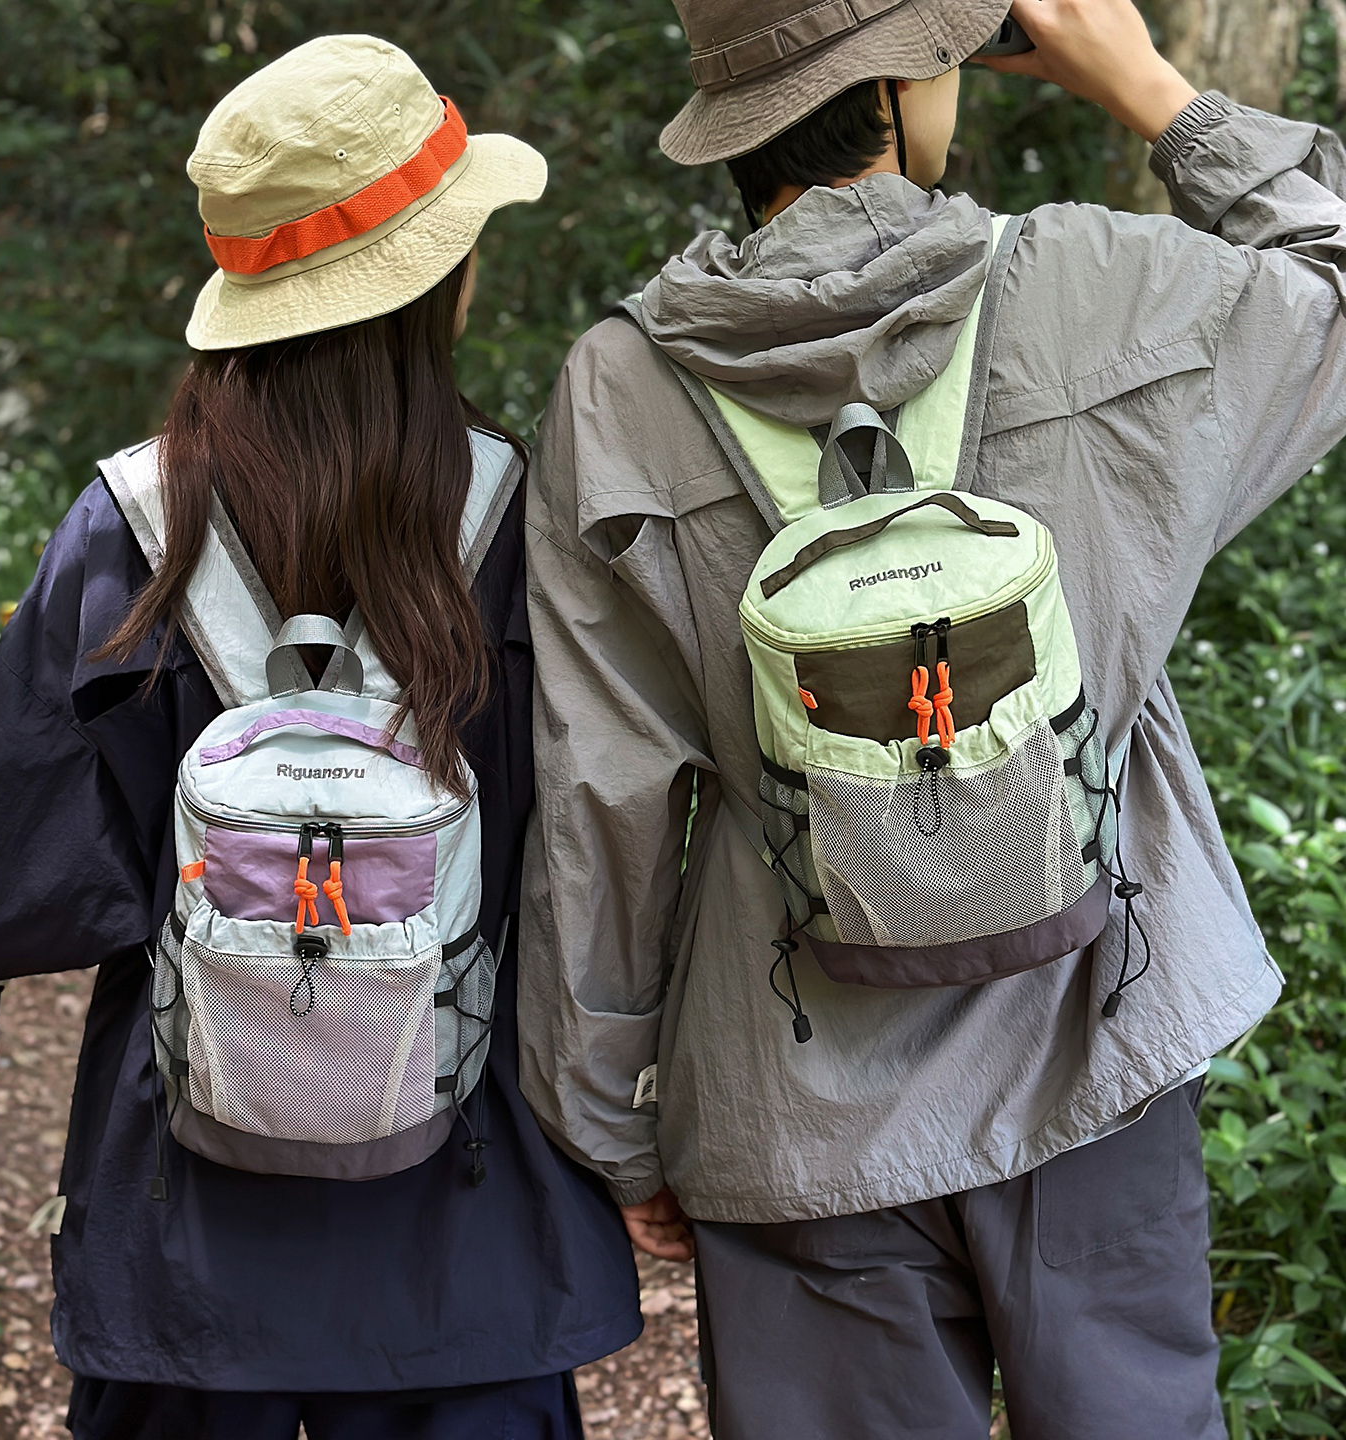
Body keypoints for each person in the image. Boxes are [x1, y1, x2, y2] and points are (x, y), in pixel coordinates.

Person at [518, 0, 1346, 1434]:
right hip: (1099, 1022)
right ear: (902, 84)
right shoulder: (1101, 287)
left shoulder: (623, 390)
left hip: (792, 1082)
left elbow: (607, 805)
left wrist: (614, 1117)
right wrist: (1150, 90)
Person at [0, 35, 640, 1440]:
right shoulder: (533, 525)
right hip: (466, 1235)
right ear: (439, 276)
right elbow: (598, 852)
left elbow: (17, 868)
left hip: (186, 1237)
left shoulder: (128, 535)